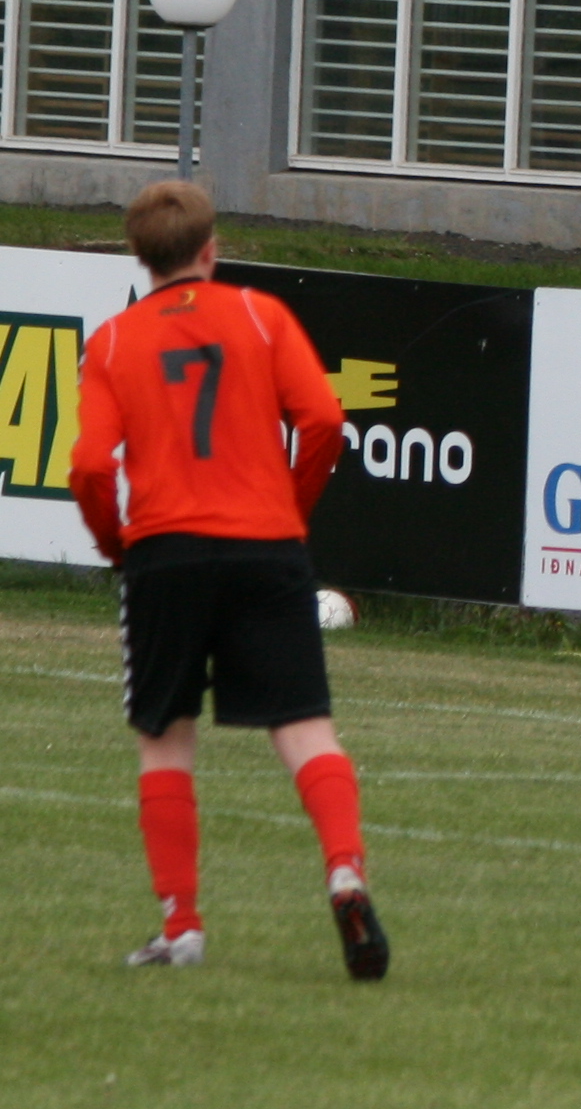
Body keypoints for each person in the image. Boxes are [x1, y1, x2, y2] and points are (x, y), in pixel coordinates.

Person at [67, 179, 387, 979]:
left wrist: (117, 545)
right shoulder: (259, 314)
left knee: (165, 737)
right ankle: (344, 872)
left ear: (139, 256)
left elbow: (89, 467)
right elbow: (325, 422)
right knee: (305, 727)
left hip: (165, 552)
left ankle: (181, 928)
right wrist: (290, 510)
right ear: (212, 250)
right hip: (264, 545)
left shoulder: (112, 342)